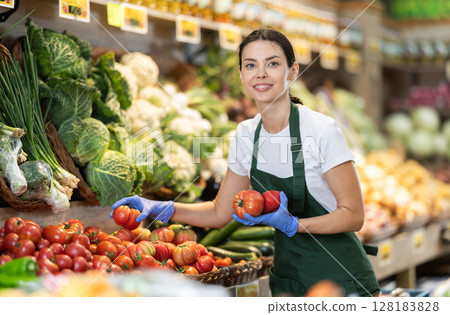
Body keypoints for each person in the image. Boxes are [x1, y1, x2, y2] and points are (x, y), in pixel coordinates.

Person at [112, 27, 380, 297]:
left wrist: (294, 225)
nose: (261, 74)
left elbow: (353, 215)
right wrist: (163, 208)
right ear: (242, 75)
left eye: (272, 64)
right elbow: (219, 212)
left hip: (342, 280)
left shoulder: (321, 130)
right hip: (288, 280)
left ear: (293, 71)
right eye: (251, 65)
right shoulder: (246, 134)